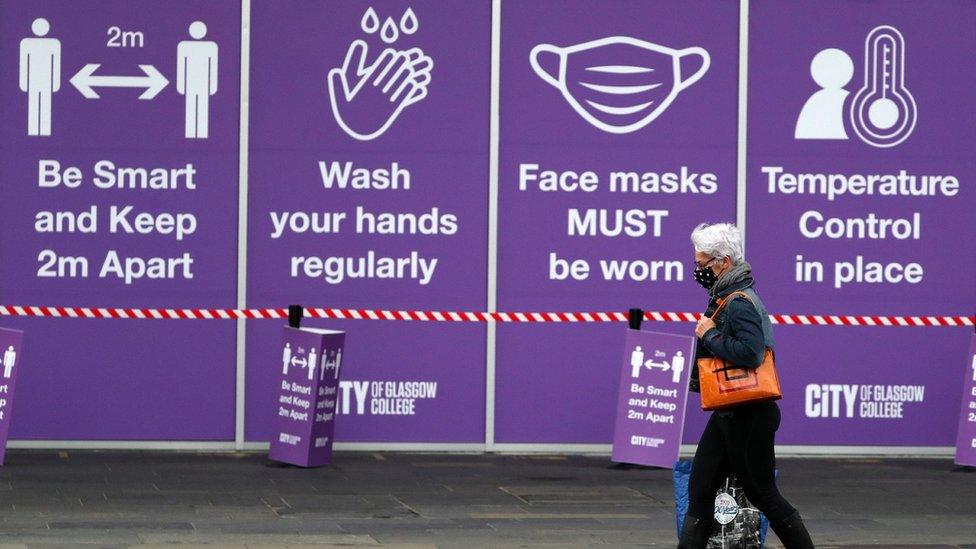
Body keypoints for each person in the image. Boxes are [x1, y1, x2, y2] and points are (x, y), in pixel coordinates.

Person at [678, 223, 814, 549]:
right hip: (729, 411)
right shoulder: (726, 295)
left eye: (702, 264)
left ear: (723, 262)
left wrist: (709, 334)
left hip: (749, 414)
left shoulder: (738, 302)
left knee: (763, 493)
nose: (698, 271)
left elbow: (751, 353)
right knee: (700, 487)